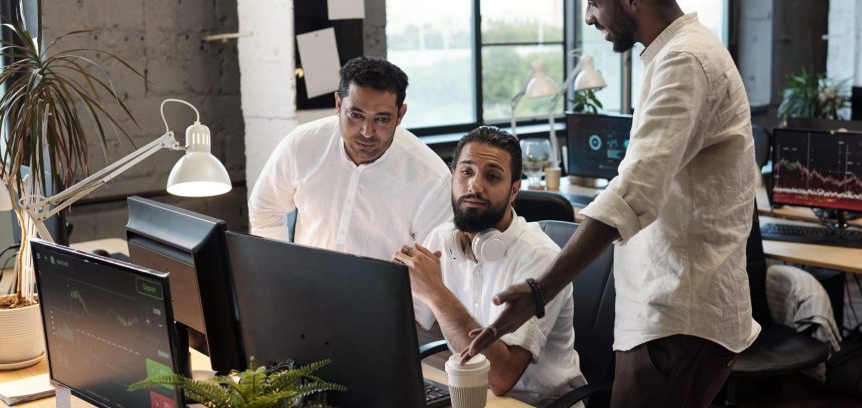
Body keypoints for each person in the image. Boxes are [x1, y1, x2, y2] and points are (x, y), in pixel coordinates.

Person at [463, 1, 761, 407]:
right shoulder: (680, 53)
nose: (588, 17)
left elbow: (634, 190)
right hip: (675, 316)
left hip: (678, 318)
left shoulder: (684, 60)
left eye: (595, 2)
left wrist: (540, 290)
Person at [393, 127, 586, 405]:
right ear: (452, 178)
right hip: (472, 395)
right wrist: (390, 293)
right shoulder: (442, 239)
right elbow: (406, 328)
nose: (474, 186)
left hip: (539, 403)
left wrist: (436, 292)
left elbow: (501, 377)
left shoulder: (540, 257)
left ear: (514, 190)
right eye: (466, 172)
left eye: (492, 176)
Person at [248, 56, 452, 261]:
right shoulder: (301, 145)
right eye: (356, 115)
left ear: (400, 114)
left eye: (382, 119)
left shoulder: (432, 178)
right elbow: (265, 208)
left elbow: (437, 261)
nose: (367, 132)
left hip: (384, 282)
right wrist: (279, 267)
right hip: (306, 279)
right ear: (338, 103)